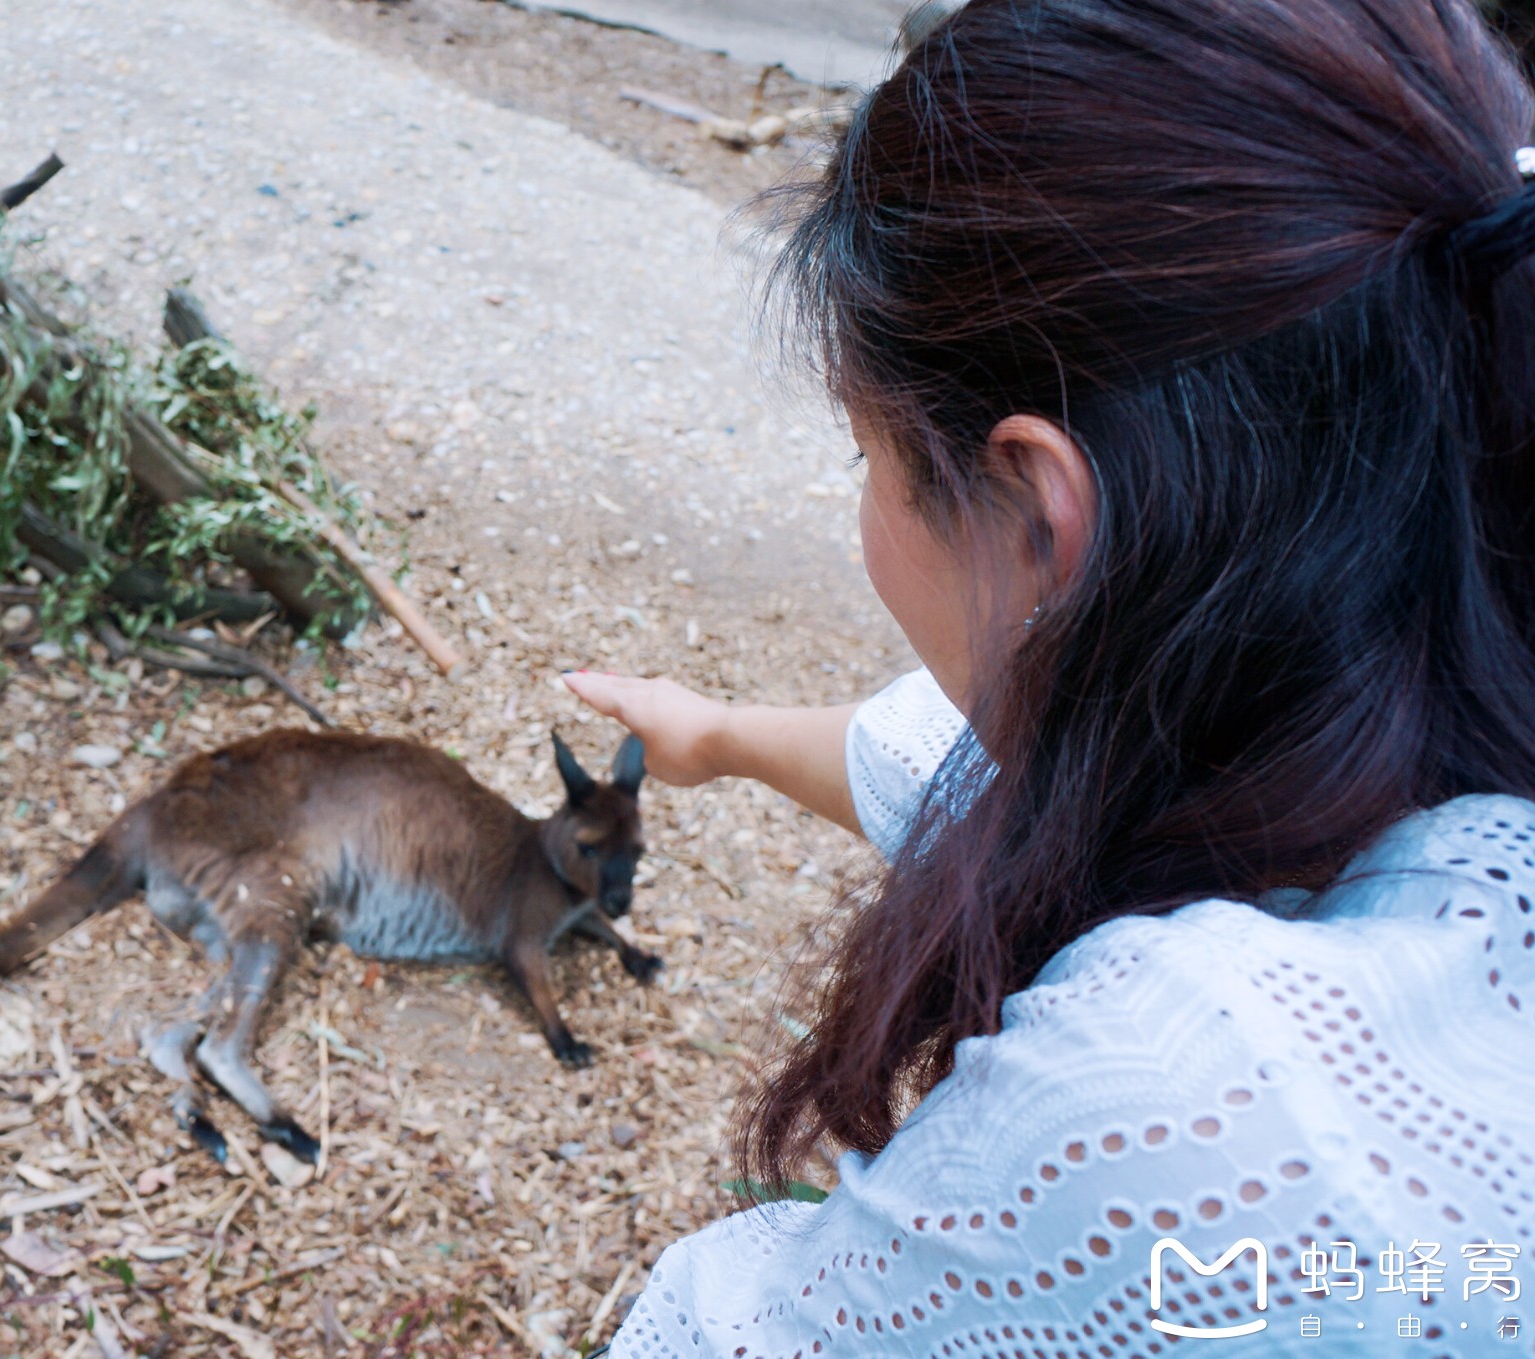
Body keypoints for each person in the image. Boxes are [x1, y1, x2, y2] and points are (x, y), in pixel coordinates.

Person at [567, 0, 1535, 1353]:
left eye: (869, 457)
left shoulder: (1203, 1111)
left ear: (1035, 508)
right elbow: (982, 765)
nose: (866, 506)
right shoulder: (1435, 610)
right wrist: (713, 735)